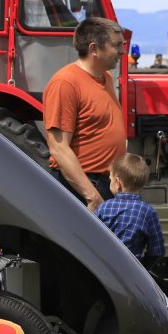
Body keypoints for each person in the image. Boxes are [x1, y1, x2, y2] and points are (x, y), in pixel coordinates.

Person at [44, 17, 127, 211]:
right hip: (85, 187)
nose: (123, 51)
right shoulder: (65, 83)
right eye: (116, 45)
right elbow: (59, 148)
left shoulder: (105, 78)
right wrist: (92, 196)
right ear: (94, 49)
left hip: (106, 184)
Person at [96, 153, 164, 264]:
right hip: (131, 268)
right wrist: (142, 268)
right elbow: (157, 251)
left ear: (118, 183)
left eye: (110, 179)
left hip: (104, 266)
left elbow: (92, 237)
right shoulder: (148, 212)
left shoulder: (104, 208)